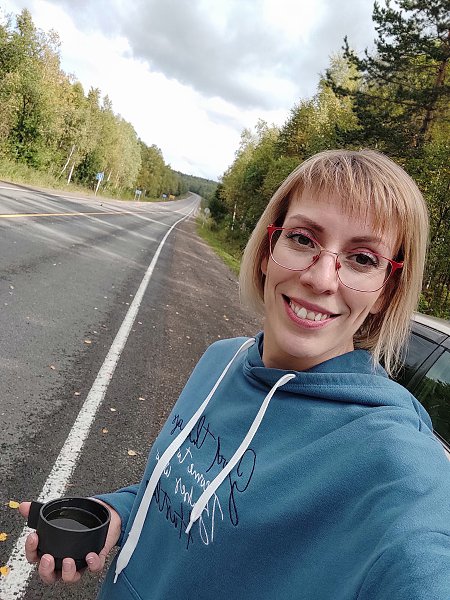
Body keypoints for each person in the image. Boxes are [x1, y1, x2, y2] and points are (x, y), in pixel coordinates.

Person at [20, 149, 450, 599]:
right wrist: (117, 513)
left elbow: (423, 561)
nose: (322, 279)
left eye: (363, 259)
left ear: (385, 293)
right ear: (267, 251)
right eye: (302, 239)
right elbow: (177, 494)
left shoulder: (392, 456)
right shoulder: (220, 359)